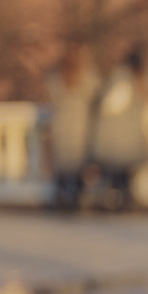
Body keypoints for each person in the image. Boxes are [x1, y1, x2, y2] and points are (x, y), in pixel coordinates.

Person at [89, 46, 148, 212]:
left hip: (117, 138)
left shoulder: (121, 79)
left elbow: (109, 106)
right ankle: (125, 202)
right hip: (132, 138)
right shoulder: (143, 78)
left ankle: (112, 203)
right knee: (125, 178)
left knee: (113, 176)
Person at [44, 46, 96, 212]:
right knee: (78, 167)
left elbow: (51, 91)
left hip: (62, 126)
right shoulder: (86, 77)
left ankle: (60, 198)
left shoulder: (57, 77)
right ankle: (77, 199)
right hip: (80, 126)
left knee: (62, 167)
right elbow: (96, 90)